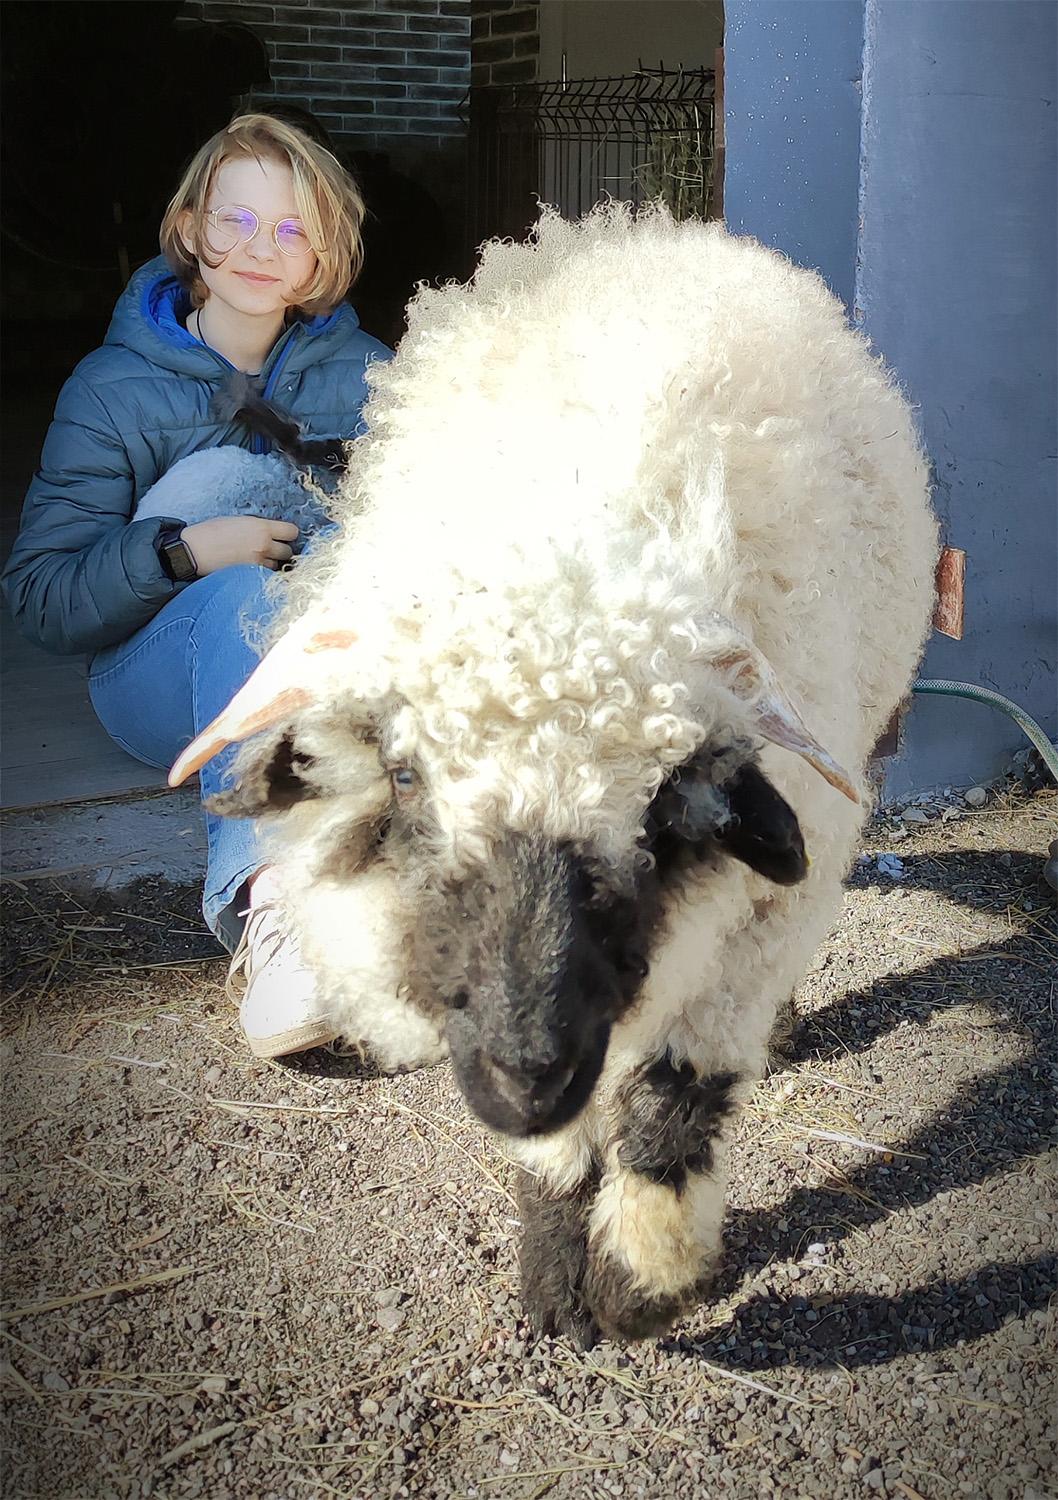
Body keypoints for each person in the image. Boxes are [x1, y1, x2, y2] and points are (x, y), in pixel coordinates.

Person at [2, 113, 391, 1058]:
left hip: (326, 663)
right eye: (235, 221)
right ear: (189, 228)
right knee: (237, 590)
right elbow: (40, 595)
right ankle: (274, 915)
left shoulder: (371, 375)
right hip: (162, 676)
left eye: (293, 228)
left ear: (325, 255)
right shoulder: (113, 388)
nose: (261, 249)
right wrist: (183, 553)